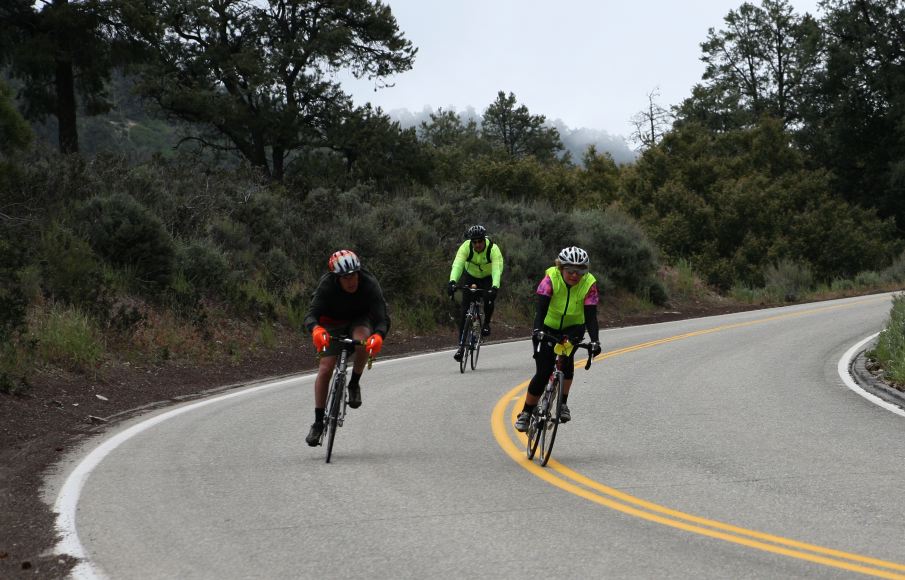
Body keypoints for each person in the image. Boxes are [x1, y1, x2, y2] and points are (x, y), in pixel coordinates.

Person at [303, 249, 390, 447]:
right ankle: (318, 423)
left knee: (362, 342)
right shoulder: (327, 286)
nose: (351, 281)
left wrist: (378, 336)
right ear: (337, 278)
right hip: (331, 322)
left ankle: (354, 383)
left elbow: (382, 317)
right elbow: (311, 315)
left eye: (354, 275)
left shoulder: (369, 284)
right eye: (346, 278)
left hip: (360, 319)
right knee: (325, 368)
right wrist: (316, 330)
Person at [514, 246, 602, 432]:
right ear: (561, 268)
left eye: (580, 271)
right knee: (544, 371)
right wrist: (537, 329)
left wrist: (595, 340)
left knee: (566, 362)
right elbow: (541, 309)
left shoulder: (589, 283)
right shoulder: (550, 278)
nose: (575, 276)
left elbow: (591, 317)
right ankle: (526, 412)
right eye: (570, 271)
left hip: (573, 328)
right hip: (548, 327)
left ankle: (562, 404)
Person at [447, 224, 504, 362]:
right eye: (474, 242)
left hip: (487, 277)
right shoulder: (465, 247)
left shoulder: (493, 249)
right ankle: (461, 347)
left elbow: (497, 269)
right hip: (471, 275)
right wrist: (452, 281)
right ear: (471, 242)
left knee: (488, 299)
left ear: (484, 239)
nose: (477, 244)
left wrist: (495, 287)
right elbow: (458, 264)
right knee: (465, 311)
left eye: (480, 241)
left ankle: (486, 324)